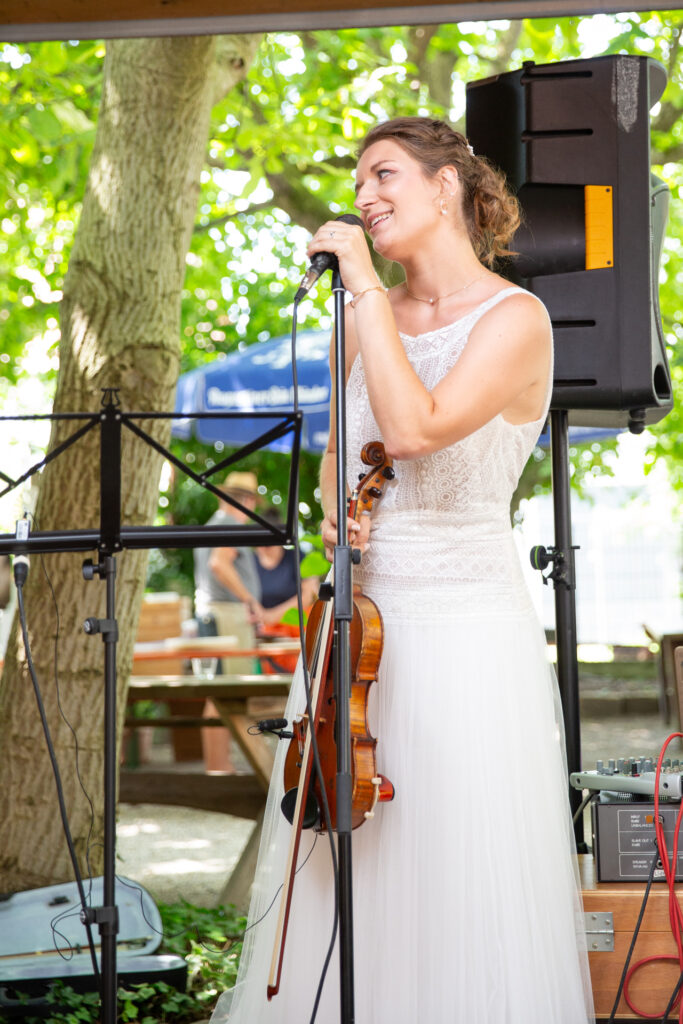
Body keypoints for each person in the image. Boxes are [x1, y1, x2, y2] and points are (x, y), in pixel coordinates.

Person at [212, 117, 594, 1023]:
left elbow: (416, 430)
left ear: (447, 186)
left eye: (382, 174)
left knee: (450, 858)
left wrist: (367, 301)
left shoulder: (517, 319)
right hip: (362, 633)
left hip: (464, 629)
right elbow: (346, 471)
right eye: (355, 184)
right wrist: (337, 529)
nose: (363, 197)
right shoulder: (361, 322)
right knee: (351, 864)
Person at [194, 470, 266, 771]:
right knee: (226, 697)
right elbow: (219, 564)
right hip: (226, 615)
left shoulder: (213, 523)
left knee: (216, 694)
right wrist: (250, 600)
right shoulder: (230, 524)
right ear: (247, 500)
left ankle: (217, 767)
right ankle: (220, 769)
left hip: (212, 612)